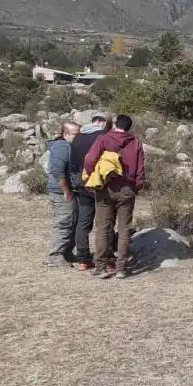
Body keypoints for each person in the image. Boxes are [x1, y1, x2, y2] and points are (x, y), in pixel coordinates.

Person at [82, 114, 145, 280]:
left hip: (105, 188)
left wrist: (92, 176)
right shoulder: (135, 143)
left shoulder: (103, 139)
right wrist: (135, 187)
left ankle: (101, 267)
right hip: (127, 189)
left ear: (115, 124)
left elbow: (89, 159)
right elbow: (140, 171)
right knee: (124, 228)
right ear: (129, 127)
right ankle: (122, 268)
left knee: (103, 227)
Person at [70, 114, 112, 271]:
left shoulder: (78, 138)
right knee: (104, 222)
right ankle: (106, 259)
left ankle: (83, 259)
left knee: (83, 222)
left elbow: (73, 164)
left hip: (82, 184)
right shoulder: (103, 137)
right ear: (103, 123)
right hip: (99, 184)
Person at [46, 122, 81, 267]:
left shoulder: (69, 146)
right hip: (61, 192)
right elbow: (57, 170)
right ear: (65, 134)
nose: (79, 137)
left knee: (72, 222)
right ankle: (55, 256)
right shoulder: (61, 147)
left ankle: (66, 252)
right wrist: (66, 190)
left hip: (68, 191)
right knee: (64, 223)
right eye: (76, 134)